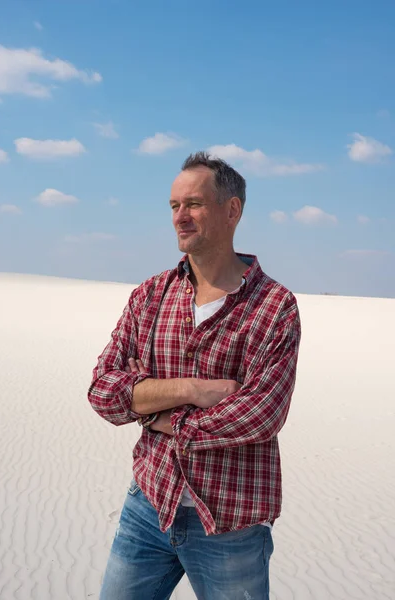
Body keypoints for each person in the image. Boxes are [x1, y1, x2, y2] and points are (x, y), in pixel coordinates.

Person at [88, 151, 301, 600]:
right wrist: (190, 391)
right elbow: (103, 389)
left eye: (193, 204)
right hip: (149, 503)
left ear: (232, 210)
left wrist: (158, 413)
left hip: (231, 521)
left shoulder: (274, 307)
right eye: (173, 206)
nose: (180, 217)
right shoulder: (150, 296)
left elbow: (261, 413)